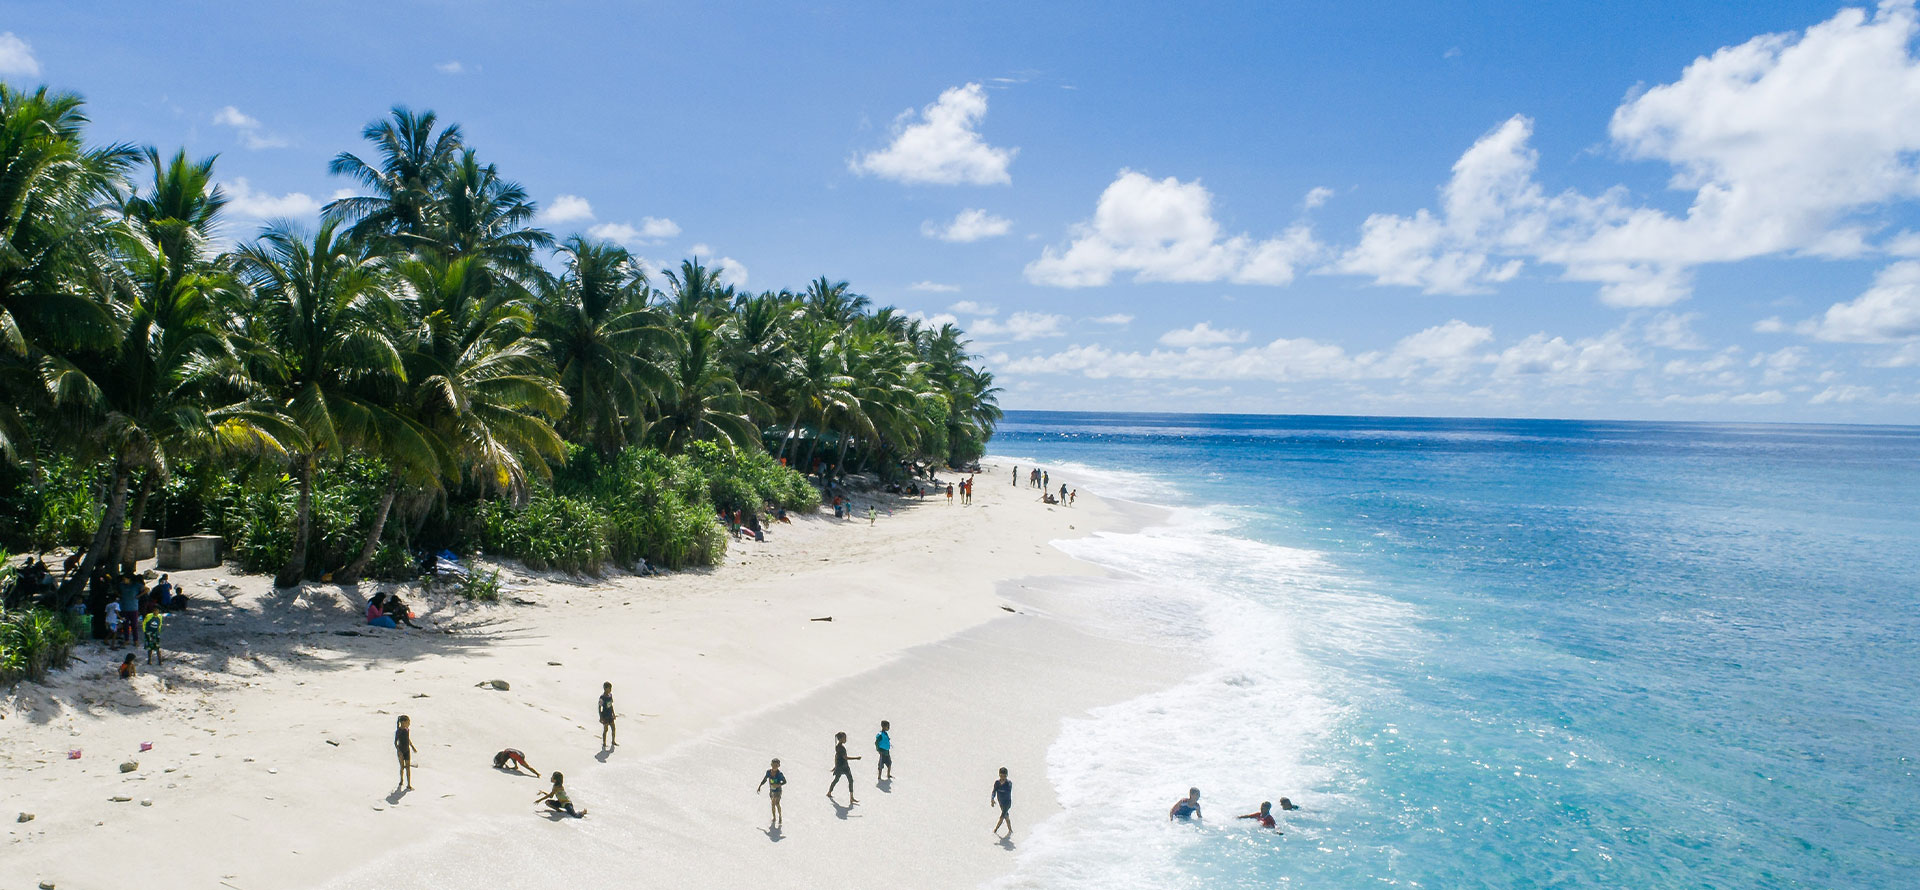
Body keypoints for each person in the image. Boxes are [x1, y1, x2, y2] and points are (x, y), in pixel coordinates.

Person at [828, 731, 859, 802]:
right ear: (841, 739)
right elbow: (845, 758)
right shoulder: (841, 748)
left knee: (847, 780)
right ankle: (829, 792)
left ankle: (851, 797)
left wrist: (835, 766)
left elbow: (836, 756)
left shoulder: (838, 747)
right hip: (842, 766)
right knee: (839, 780)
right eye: (844, 738)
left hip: (842, 766)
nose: (846, 739)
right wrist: (856, 758)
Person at [756, 757, 786, 826]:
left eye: (776, 765)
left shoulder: (779, 774)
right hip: (772, 790)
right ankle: (774, 817)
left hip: (778, 790)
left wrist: (778, 784)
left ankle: (780, 816)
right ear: (771, 764)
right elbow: (765, 779)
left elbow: (784, 781)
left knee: (777, 803)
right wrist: (760, 786)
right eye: (773, 765)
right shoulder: (769, 772)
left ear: (779, 766)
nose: (774, 767)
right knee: (772, 804)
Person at [394, 715, 417, 790]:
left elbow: (408, 739)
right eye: (408, 722)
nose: (409, 724)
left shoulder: (407, 730)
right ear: (403, 722)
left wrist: (412, 746)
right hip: (401, 751)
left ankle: (409, 784)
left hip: (407, 750)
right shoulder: (399, 731)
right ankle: (401, 780)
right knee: (402, 767)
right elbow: (395, 743)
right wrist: (399, 751)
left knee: (408, 767)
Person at [990, 767, 1013, 836]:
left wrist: (1001, 787)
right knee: (1006, 816)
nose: (1003, 778)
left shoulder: (1009, 783)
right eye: (1001, 776)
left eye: (1004, 776)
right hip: (1001, 802)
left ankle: (995, 830)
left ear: (1007, 775)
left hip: (1007, 803)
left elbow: (1008, 791)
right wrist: (992, 799)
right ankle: (1010, 829)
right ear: (999, 775)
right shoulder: (997, 783)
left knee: (1002, 816)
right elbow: (994, 791)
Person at [598, 682, 617, 748]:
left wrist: (613, 714)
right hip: (605, 715)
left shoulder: (610, 695)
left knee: (613, 728)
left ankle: (613, 741)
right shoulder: (602, 697)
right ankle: (604, 743)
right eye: (609, 688)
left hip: (610, 715)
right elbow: (599, 707)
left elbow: (611, 705)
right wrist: (600, 717)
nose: (610, 689)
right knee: (605, 730)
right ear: (605, 688)